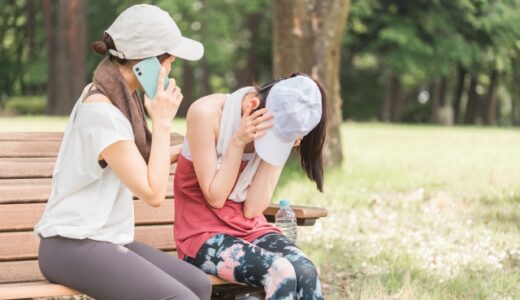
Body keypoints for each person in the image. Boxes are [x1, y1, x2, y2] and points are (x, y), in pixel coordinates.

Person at [34, 4, 211, 300]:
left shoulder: (112, 96)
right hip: (70, 245)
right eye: (168, 60)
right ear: (148, 62)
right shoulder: (103, 113)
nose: (170, 69)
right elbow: (153, 194)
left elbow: (129, 161)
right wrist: (163, 121)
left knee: (198, 284)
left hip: (103, 239)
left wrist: (182, 150)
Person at [174, 73, 327, 300]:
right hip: (201, 236)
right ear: (252, 105)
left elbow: (253, 209)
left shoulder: (275, 126)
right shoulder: (206, 113)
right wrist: (237, 141)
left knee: (305, 270)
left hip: (250, 229)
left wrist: (279, 149)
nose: (268, 143)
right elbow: (215, 197)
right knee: (281, 272)